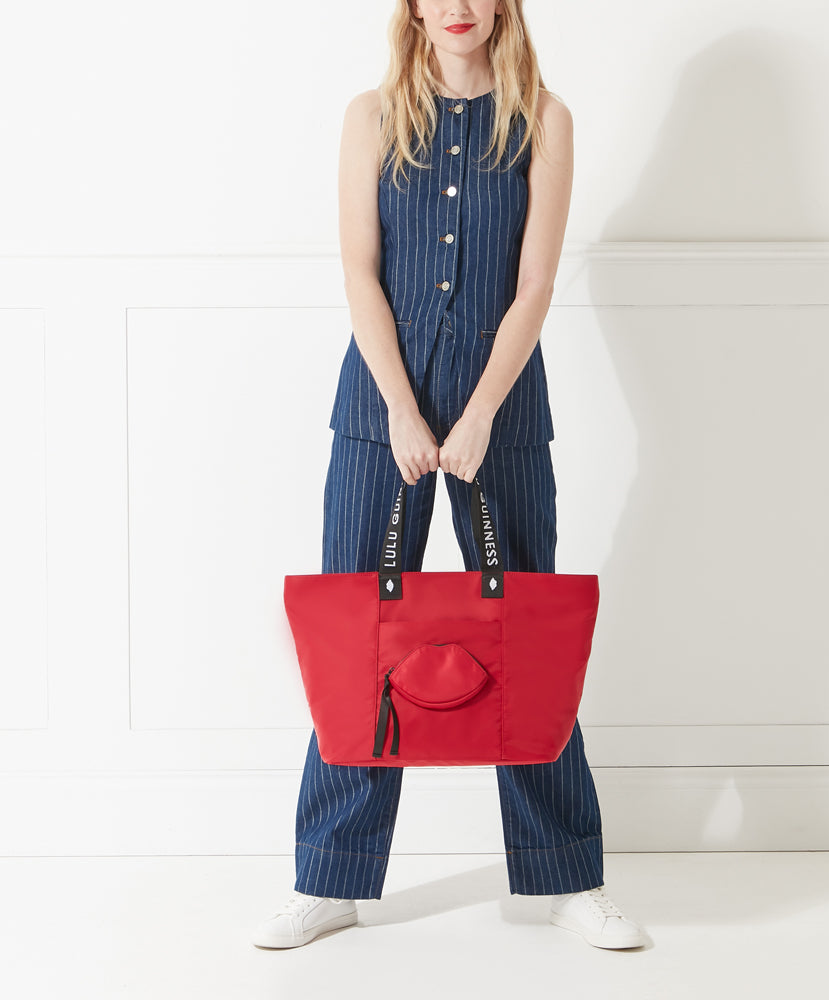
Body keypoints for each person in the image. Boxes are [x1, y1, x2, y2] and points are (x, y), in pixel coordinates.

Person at [252, 0, 647, 951]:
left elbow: (535, 287)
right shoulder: (372, 115)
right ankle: (329, 877)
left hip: (500, 410)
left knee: (525, 636)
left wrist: (475, 417)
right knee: (359, 639)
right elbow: (361, 270)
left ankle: (564, 875)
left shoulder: (543, 119)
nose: (459, 8)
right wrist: (398, 404)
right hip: (376, 406)